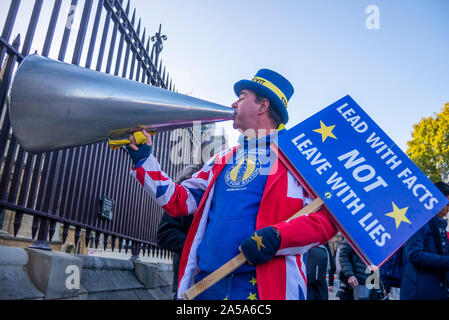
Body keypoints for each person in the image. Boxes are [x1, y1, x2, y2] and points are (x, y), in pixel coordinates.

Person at [125, 69, 337, 300]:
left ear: (262, 105)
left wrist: (278, 237)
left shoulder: (299, 162)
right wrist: (144, 158)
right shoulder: (221, 159)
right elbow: (179, 201)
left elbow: (326, 221)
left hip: (264, 290)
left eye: (242, 96)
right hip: (206, 285)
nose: (234, 103)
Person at [157, 140, 224, 299]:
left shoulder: (223, 189)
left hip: (220, 279)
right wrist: (201, 247)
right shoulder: (187, 189)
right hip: (189, 281)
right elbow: (165, 235)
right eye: (221, 153)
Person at [400, 181, 449, 300]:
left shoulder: (439, 225)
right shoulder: (417, 221)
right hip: (419, 291)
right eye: (447, 204)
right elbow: (414, 254)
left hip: (437, 289)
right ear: (435, 200)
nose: (448, 209)